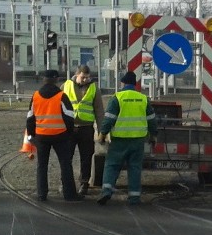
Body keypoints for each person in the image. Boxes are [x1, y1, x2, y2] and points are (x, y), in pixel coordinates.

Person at [96, 71, 158, 206]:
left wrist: (102, 135)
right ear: (135, 84)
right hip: (138, 141)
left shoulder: (117, 97)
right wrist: (153, 135)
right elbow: (151, 120)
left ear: (122, 83)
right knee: (135, 168)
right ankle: (134, 197)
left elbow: (109, 119)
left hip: (119, 140)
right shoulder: (143, 98)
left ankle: (106, 191)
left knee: (112, 165)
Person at [27, 69, 81, 202]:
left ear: (43, 79)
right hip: (60, 136)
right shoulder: (61, 96)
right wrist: (69, 132)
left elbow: (30, 118)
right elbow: (69, 116)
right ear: (56, 80)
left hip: (41, 136)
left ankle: (42, 194)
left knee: (42, 165)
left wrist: (31, 135)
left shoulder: (35, 96)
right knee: (65, 164)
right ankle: (69, 195)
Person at [62, 65, 105, 196]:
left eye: (87, 78)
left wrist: (101, 131)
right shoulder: (66, 86)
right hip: (69, 128)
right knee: (66, 157)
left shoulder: (93, 88)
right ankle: (65, 183)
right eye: (83, 77)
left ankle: (84, 183)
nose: (85, 80)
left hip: (86, 129)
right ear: (77, 74)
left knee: (86, 158)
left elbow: (99, 110)